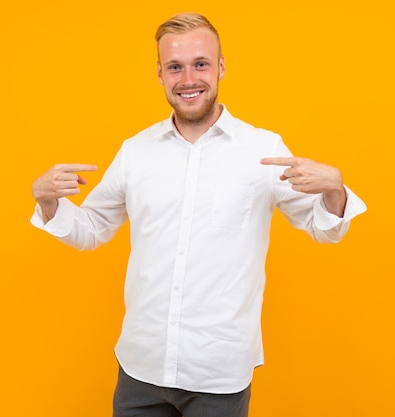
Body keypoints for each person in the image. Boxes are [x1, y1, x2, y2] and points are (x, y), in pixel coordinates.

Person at [31, 12, 367, 417]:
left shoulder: (262, 149)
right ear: (160, 74)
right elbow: (92, 229)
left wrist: (335, 188)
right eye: (175, 67)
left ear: (221, 66)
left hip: (218, 373)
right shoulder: (136, 151)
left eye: (201, 64)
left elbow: (324, 228)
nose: (188, 79)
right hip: (141, 367)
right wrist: (48, 201)